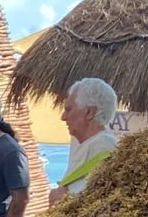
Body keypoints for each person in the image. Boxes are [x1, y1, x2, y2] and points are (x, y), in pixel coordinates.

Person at [49, 77, 119, 207]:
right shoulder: (90, 144)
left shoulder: (102, 147)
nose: (63, 117)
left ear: (89, 112)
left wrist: (61, 198)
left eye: (69, 109)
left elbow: (97, 203)